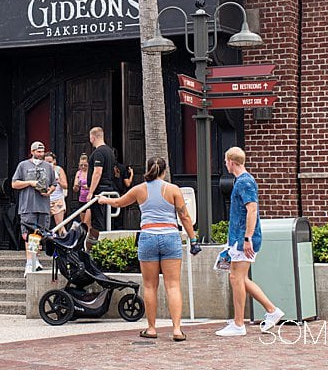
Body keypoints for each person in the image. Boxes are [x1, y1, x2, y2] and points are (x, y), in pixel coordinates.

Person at [98, 157, 199, 341]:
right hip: (170, 236)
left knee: (150, 286)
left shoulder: (139, 189)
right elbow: (184, 216)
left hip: (148, 236)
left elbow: (119, 203)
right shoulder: (173, 189)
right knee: (173, 285)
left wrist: (104, 200)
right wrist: (193, 239)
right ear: (164, 171)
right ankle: (176, 330)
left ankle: (152, 328)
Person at [215, 146, 284, 337]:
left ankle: (239, 324)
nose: (225, 164)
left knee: (236, 278)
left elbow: (251, 210)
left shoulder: (244, 182)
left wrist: (247, 238)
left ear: (231, 162)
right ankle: (271, 311)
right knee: (240, 278)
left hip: (242, 238)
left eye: (226, 161)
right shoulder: (243, 181)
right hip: (239, 237)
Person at [11, 141, 56, 275]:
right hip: (28, 205)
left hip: (43, 205)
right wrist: (30, 183)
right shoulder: (23, 165)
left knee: (39, 235)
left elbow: (54, 184)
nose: (40, 154)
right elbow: (14, 184)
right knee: (30, 235)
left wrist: (49, 191)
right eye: (38, 151)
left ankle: (35, 259)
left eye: (42, 151)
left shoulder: (48, 166)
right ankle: (30, 262)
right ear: (32, 151)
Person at [86, 126, 117, 247]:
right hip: (108, 187)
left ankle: (95, 246)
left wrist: (90, 191)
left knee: (98, 220)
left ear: (93, 137)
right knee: (104, 218)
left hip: (100, 190)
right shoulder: (109, 151)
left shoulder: (98, 152)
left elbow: (97, 172)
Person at [43, 151, 68, 233]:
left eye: (50, 162)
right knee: (43, 224)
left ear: (54, 161)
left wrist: (59, 181)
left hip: (57, 200)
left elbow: (65, 185)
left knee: (60, 224)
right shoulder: (42, 171)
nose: (48, 164)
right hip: (45, 200)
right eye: (46, 162)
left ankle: (65, 243)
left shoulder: (59, 170)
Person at [72, 154, 91, 227]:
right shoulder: (78, 172)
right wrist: (76, 186)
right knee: (83, 222)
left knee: (87, 222)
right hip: (82, 199)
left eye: (85, 165)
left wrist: (88, 187)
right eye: (81, 165)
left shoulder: (90, 173)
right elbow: (75, 189)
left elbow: (95, 185)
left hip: (89, 199)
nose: (83, 167)